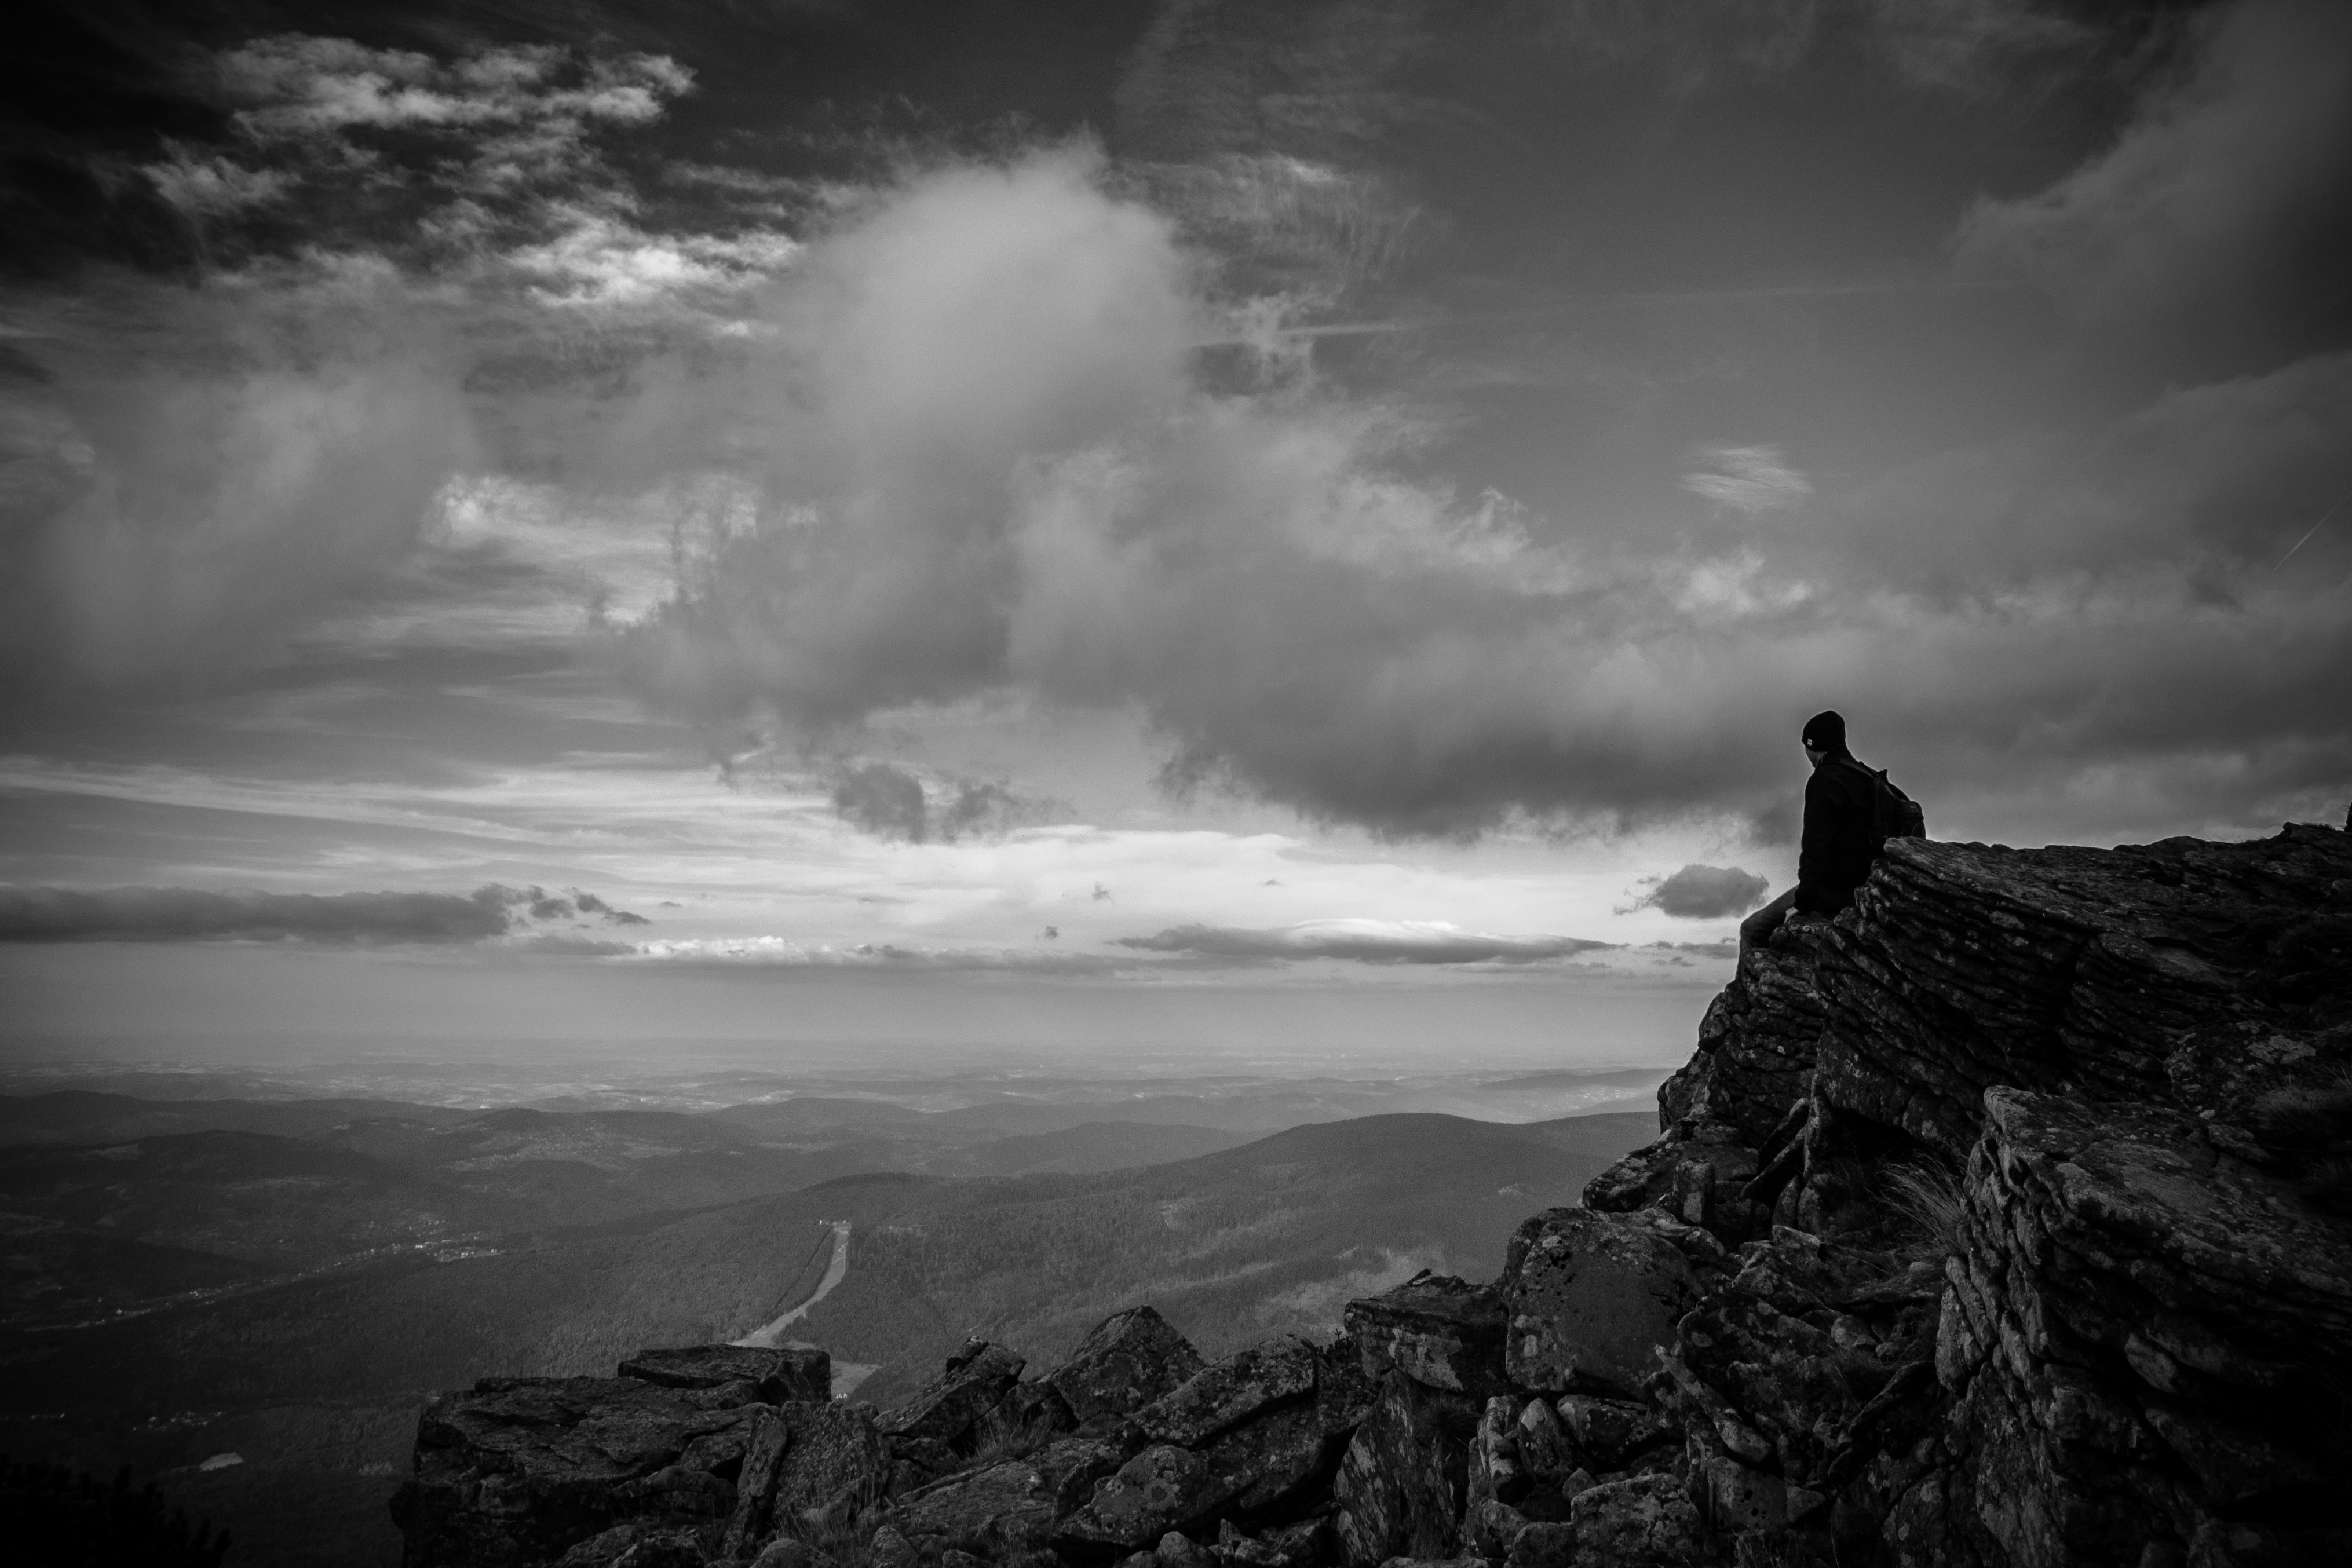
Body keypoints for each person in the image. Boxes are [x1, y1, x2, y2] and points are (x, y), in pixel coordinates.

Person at [1739, 710, 1884, 959]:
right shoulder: (1868, 778)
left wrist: (1802, 904)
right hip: (1871, 885)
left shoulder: (1825, 780)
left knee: (1752, 929)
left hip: (1836, 891)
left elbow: (1816, 848)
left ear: (1812, 746)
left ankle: (1746, 996)